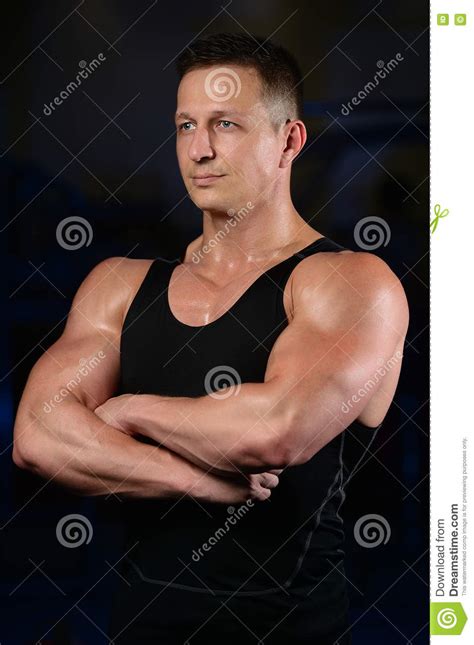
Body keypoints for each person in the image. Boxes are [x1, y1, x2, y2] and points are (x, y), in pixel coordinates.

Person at [13, 32, 409, 644]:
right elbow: (38, 434)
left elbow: (274, 431)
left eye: (226, 124)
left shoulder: (348, 280)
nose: (199, 150)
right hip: (139, 629)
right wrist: (196, 480)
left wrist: (127, 410)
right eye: (185, 126)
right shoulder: (119, 287)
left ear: (289, 141)